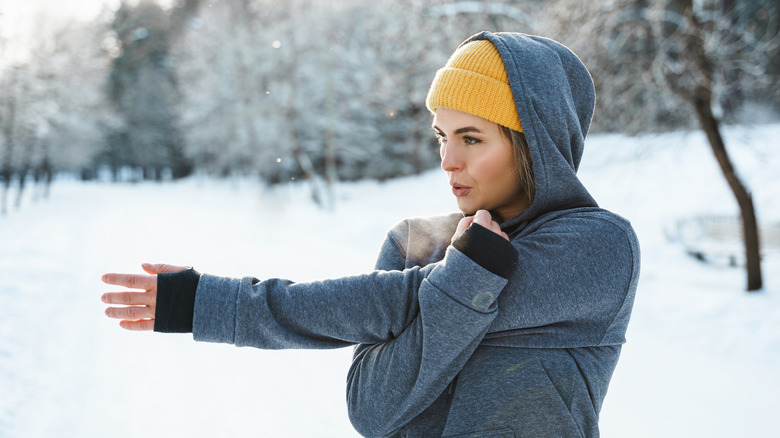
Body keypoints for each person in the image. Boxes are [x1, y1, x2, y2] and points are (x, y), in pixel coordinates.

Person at [102, 31, 640, 438]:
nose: (448, 160)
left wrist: (217, 304)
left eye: (471, 138)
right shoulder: (415, 242)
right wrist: (466, 276)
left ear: (536, 144)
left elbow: (398, 299)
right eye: (441, 136)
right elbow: (372, 411)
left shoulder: (598, 245)